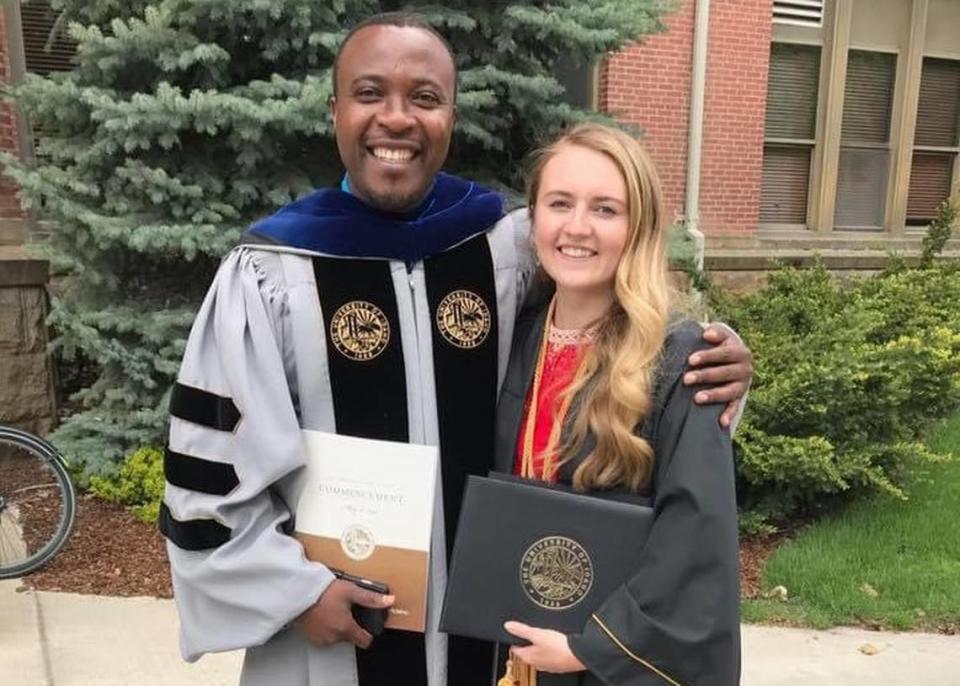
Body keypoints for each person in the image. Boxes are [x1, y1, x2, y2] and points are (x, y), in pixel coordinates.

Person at [160, 12, 751, 686]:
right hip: (334, 629)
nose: (396, 119)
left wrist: (720, 354)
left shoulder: (500, 244)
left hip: (492, 632)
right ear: (335, 112)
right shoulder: (269, 273)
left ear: (451, 115)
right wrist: (294, 593)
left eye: (424, 98)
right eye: (369, 93)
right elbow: (209, 474)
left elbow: (615, 316)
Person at [492, 123, 740, 686]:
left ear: (639, 229)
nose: (577, 227)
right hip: (513, 642)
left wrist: (591, 647)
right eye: (560, 204)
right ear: (534, 221)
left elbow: (696, 540)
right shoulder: (515, 336)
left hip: (602, 660)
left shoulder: (682, 361)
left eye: (606, 209)